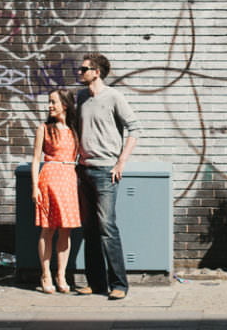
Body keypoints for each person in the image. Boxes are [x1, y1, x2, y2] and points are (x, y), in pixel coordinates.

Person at [75, 53, 141, 300]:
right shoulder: (81, 97)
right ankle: (96, 283)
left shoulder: (114, 97)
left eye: (83, 69)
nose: (79, 73)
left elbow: (135, 128)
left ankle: (119, 284)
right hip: (84, 169)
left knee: (107, 227)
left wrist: (121, 162)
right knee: (90, 228)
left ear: (97, 72)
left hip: (105, 171)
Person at [31, 88, 81, 294]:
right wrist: (34, 186)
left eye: (54, 102)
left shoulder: (75, 130)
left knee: (65, 230)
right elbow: (35, 159)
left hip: (69, 179)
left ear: (65, 105)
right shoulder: (44, 128)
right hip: (49, 178)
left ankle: (61, 274)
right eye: (49, 102)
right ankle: (45, 274)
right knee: (47, 229)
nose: (50, 106)